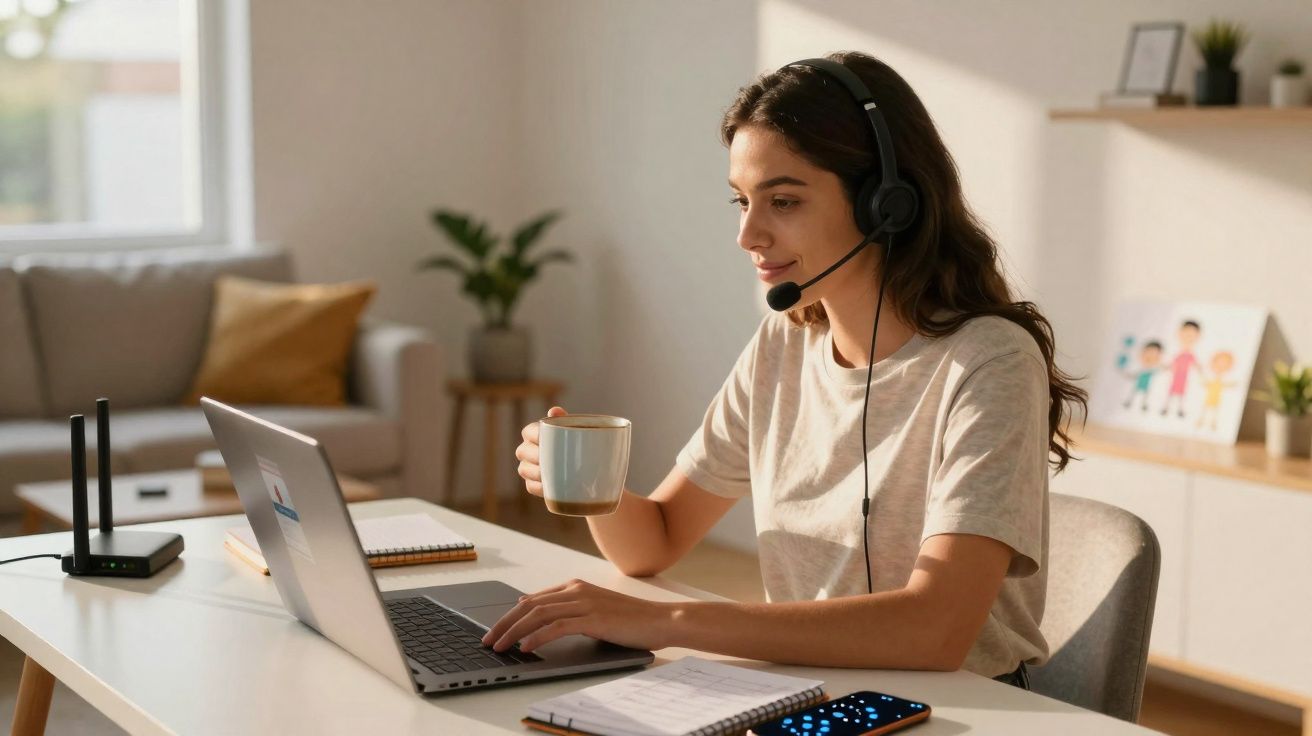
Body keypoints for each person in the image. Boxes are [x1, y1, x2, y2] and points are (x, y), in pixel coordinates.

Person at [482, 51, 1087, 688]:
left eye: (784, 201)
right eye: (741, 201)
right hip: (813, 687)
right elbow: (653, 542)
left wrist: (671, 622)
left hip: (963, 707)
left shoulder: (989, 361)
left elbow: (935, 629)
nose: (749, 234)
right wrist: (587, 486)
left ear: (888, 203)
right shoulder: (785, 344)